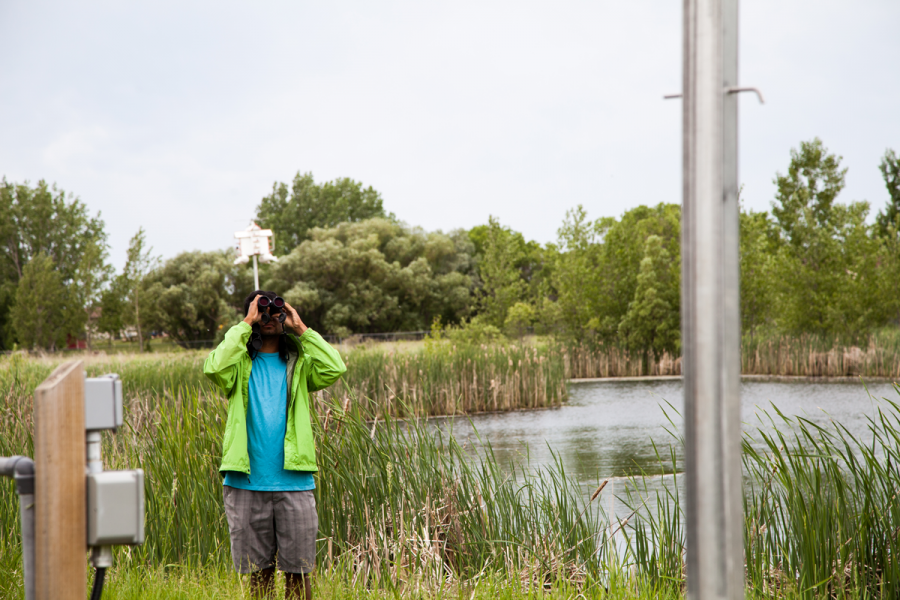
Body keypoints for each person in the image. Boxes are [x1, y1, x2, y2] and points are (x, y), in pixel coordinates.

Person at [204, 290, 346, 599]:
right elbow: (213, 367)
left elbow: (335, 367)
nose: (270, 317)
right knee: (259, 577)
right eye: (262, 311)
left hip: (294, 481)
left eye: (275, 311)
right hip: (246, 481)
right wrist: (245, 323)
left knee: (299, 573)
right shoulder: (238, 364)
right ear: (254, 317)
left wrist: (302, 328)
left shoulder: (300, 363)